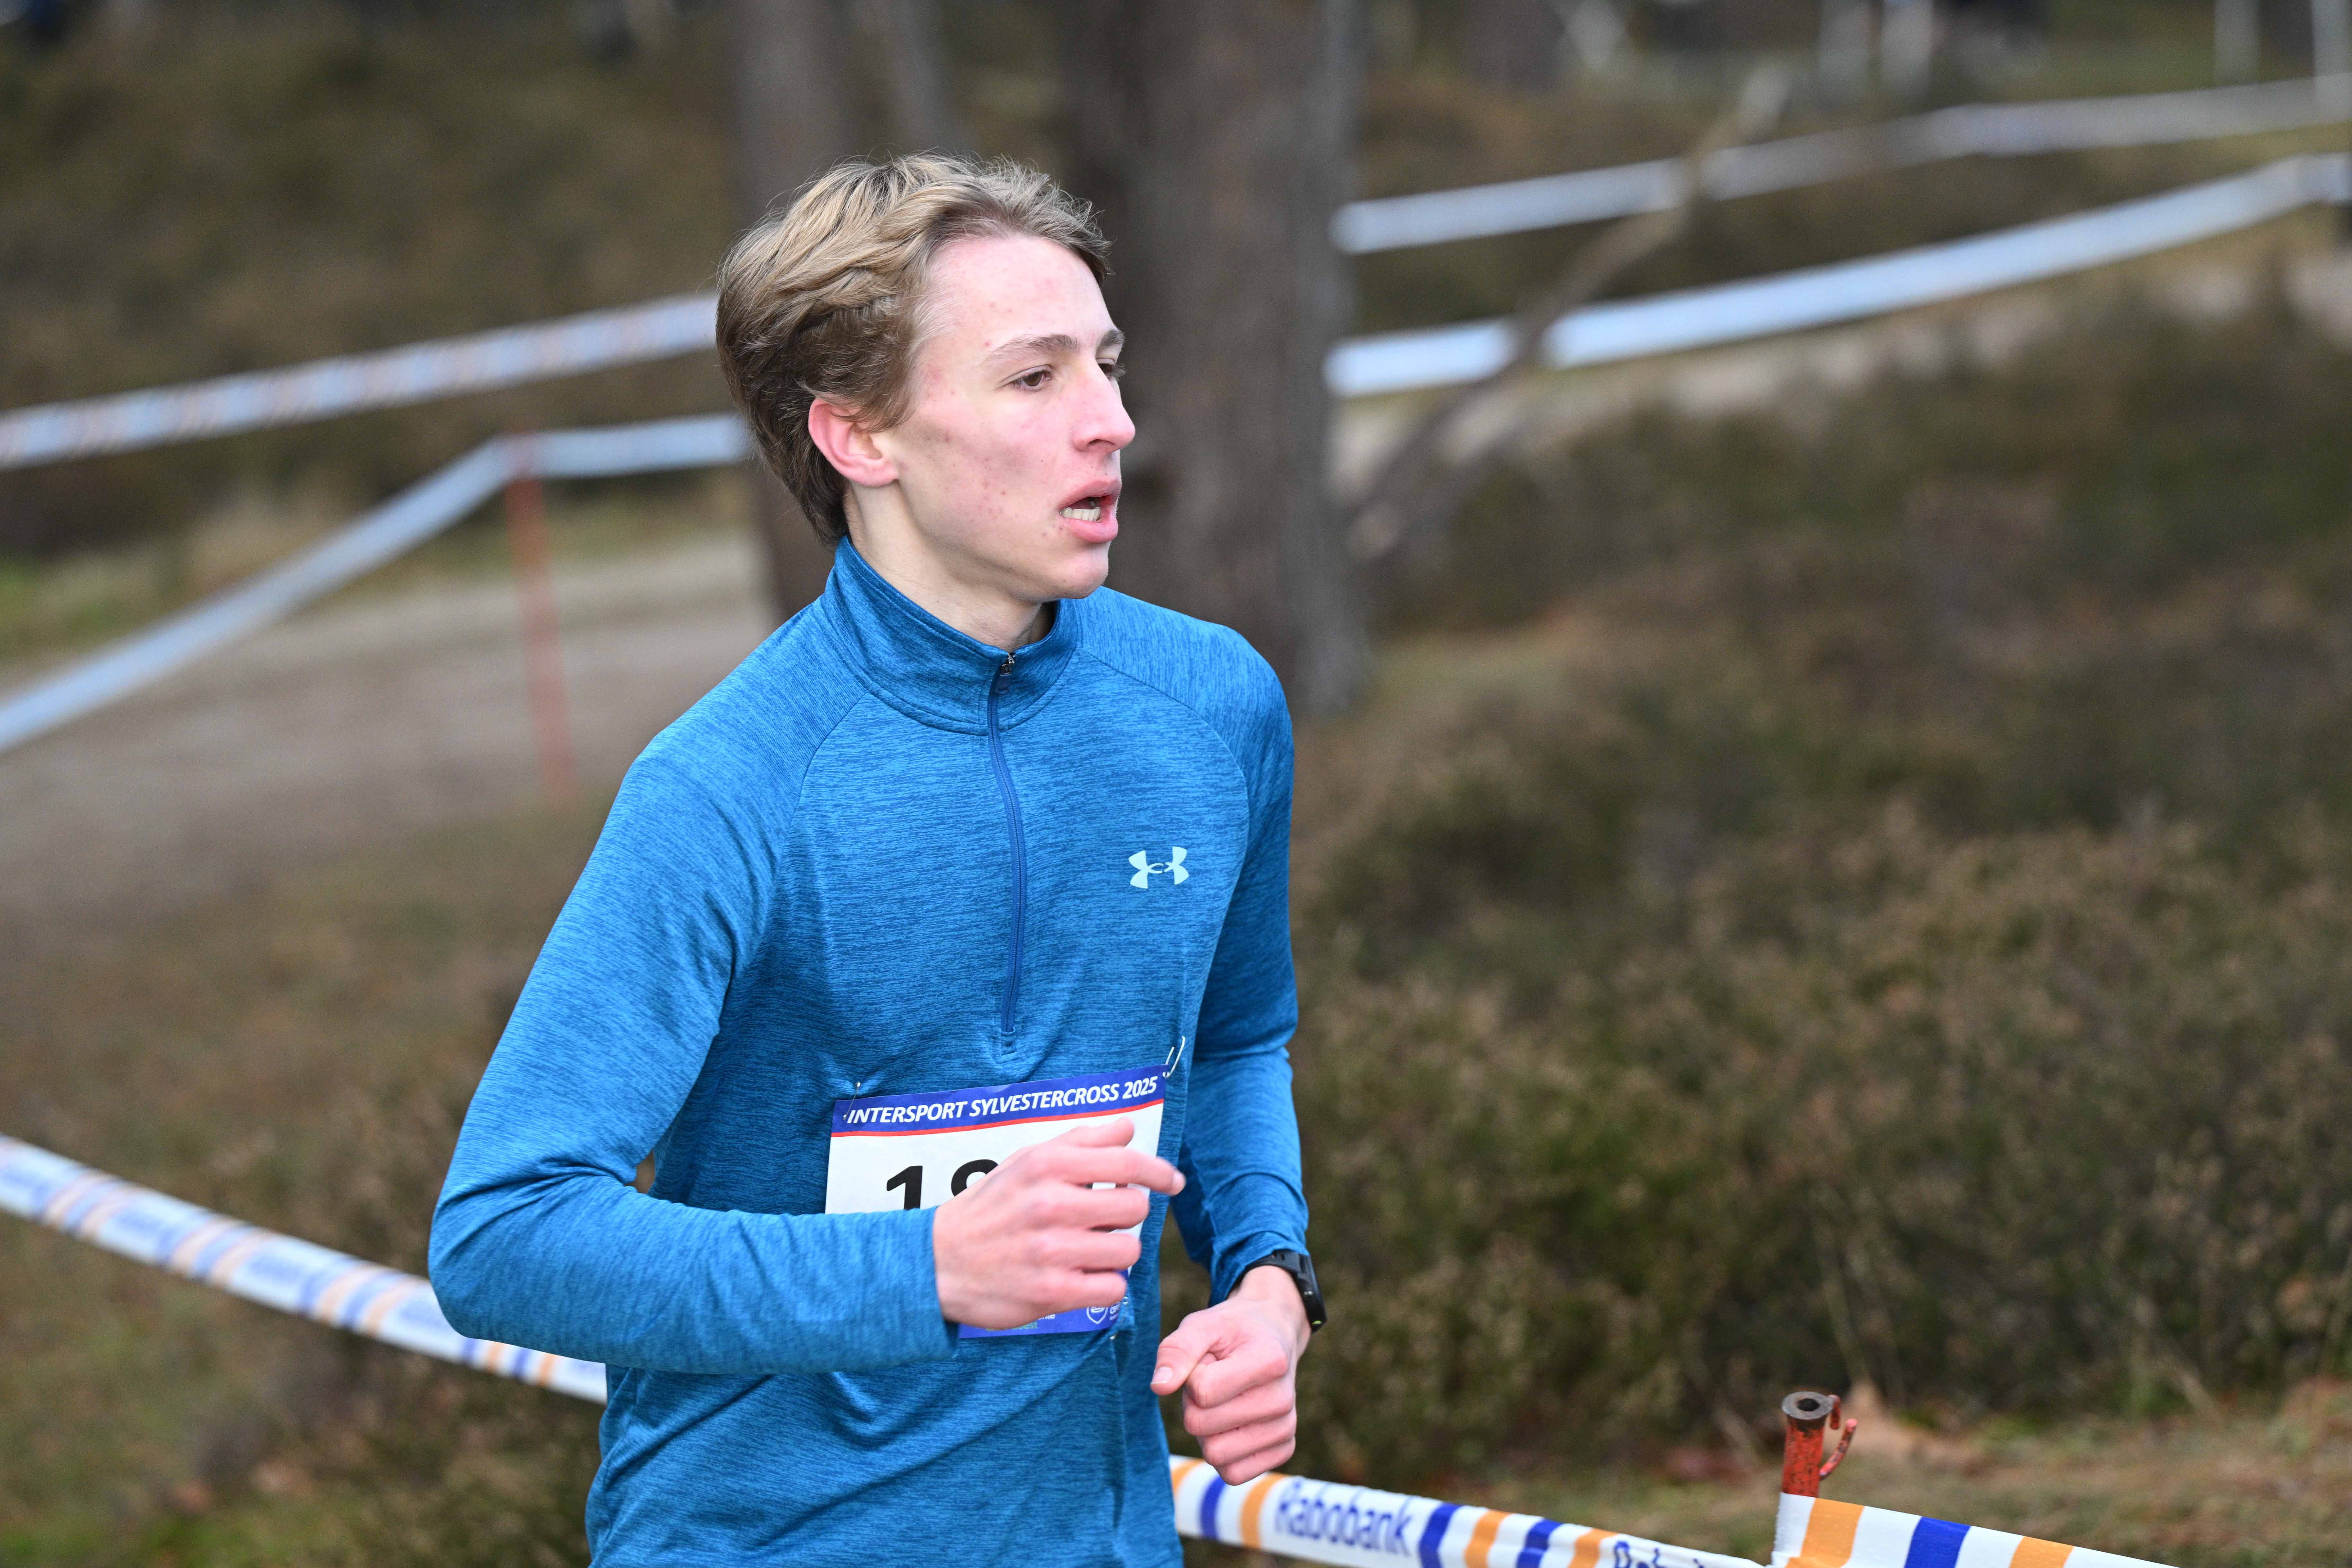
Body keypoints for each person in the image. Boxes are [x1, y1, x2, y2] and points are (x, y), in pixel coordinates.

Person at [428, 152, 1324, 1567]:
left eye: (1105, 364)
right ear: (858, 435)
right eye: (1033, 378)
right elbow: (504, 1236)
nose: (1111, 421)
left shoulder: (1213, 709)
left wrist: (1267, 1279)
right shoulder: (726, 787)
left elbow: (1229, 1044)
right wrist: (930, 1266)